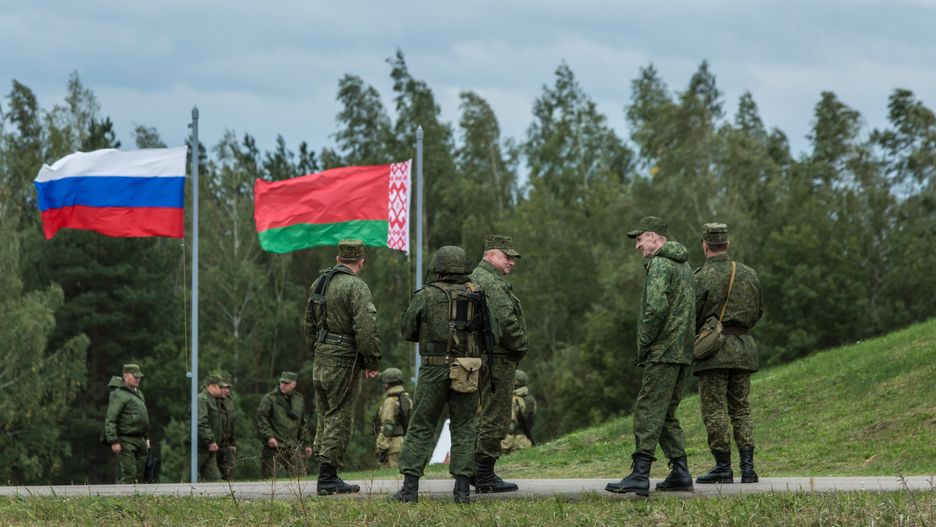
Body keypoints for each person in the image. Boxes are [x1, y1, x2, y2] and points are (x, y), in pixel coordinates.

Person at [393, 246, 494, 504]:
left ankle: (409, 489)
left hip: (433, 367)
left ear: (438, 267)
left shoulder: (426, 295)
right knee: (464, 427)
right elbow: (493, 333)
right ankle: (461, 492)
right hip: (467, 369)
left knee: (421, 426)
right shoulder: (477, 295)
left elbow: (407, 330)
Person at [606, 216, 695, 496]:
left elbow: (656, 309)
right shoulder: (685, 266)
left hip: (663, 350)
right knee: (666, 412)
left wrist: (644, 343)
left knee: (647, 409)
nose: (637, 246)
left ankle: (640, 474)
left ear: (654, 237)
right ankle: (680, 472)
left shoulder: (660, 264)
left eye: (639, 239)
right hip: (682, 351)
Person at [304, 239, 381, 495]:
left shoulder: (320, 283)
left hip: (321, 357)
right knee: (339, 415)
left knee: (324, 414)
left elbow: (309, 323)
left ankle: (326, 472)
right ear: (361, 260)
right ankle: (328, 478)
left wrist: (315, 350)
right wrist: (371, 361)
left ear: (338, 259)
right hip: (343, 360)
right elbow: (366, 328)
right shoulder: (356, 286)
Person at [693, 223, 764, 484]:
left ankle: (723, 467)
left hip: (713, 353)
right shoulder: (748, 274)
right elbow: (757, 312)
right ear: (727, 244)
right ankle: (748, 468)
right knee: (741, 409)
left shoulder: (700, 277)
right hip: (744, 349)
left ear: (705, 245)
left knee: (715, 410)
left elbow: (693, 315)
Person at [470, 234, 528, 493]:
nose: (512, 262)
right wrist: (520, 345)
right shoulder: (492, 283)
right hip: (498, 356)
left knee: (480, 413)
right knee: (497, 414)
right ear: (490, 255)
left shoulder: (474, 277)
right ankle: (484, 475)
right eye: (507, 256)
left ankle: (473, 469)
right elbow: (506, 321)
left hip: (479, 355)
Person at [255, 371, 313, 478]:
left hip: (293, 446)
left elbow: (302, 423)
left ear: (294, 384)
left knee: (300, 478)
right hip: (274, 446)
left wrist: (307, 444)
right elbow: (261, 417)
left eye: (287, 383)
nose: (283, 385)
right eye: (282, 382)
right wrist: (269, 436)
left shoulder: (298, 399)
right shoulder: (270, 398)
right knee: (269, 480)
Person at [103, 363, 150, 484]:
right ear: (126, 376)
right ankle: (119, 498)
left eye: (139, 377)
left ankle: (137, 502)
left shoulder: (138, 393)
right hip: (126, 439)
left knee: (140, 475)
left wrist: (146, 438)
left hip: (140, 440)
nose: (138, 379)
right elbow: (111, 419)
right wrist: (113, 441)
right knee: (130, 475)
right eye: (135, 377)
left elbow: (143, 418)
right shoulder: (118, 394)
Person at [185, 372, 223, 481]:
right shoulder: (202, 399)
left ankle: (219, 497)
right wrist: (210, 440)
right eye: (220, 387)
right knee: (187, 478)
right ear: (211, 386)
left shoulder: (212, 400)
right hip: (198, 447)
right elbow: (200, 422)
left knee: (216, 480)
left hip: (207, 448)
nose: (222, 390)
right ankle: (179, 496)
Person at [374, 367, 411, 469]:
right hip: (402, 442)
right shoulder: (405, 397)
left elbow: (388, 426)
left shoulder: (390, 400)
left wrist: (381, 446)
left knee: (391, 478)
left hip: (392, 445)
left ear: (386, 384)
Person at [501, 369, 537, 454]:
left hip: (509, 443)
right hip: (525, 442)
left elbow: (511, 425)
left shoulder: (513, 399)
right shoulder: (531, 399)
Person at [217, 371, 237, 481]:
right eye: (224, 387)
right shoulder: (211, 401)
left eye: (228, 387)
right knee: (213, 478)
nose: (227, 390)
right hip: (214, 445)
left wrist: (232, 443)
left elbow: (232, 422)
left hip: (226, 445)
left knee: (230, 474)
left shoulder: (229, 401)